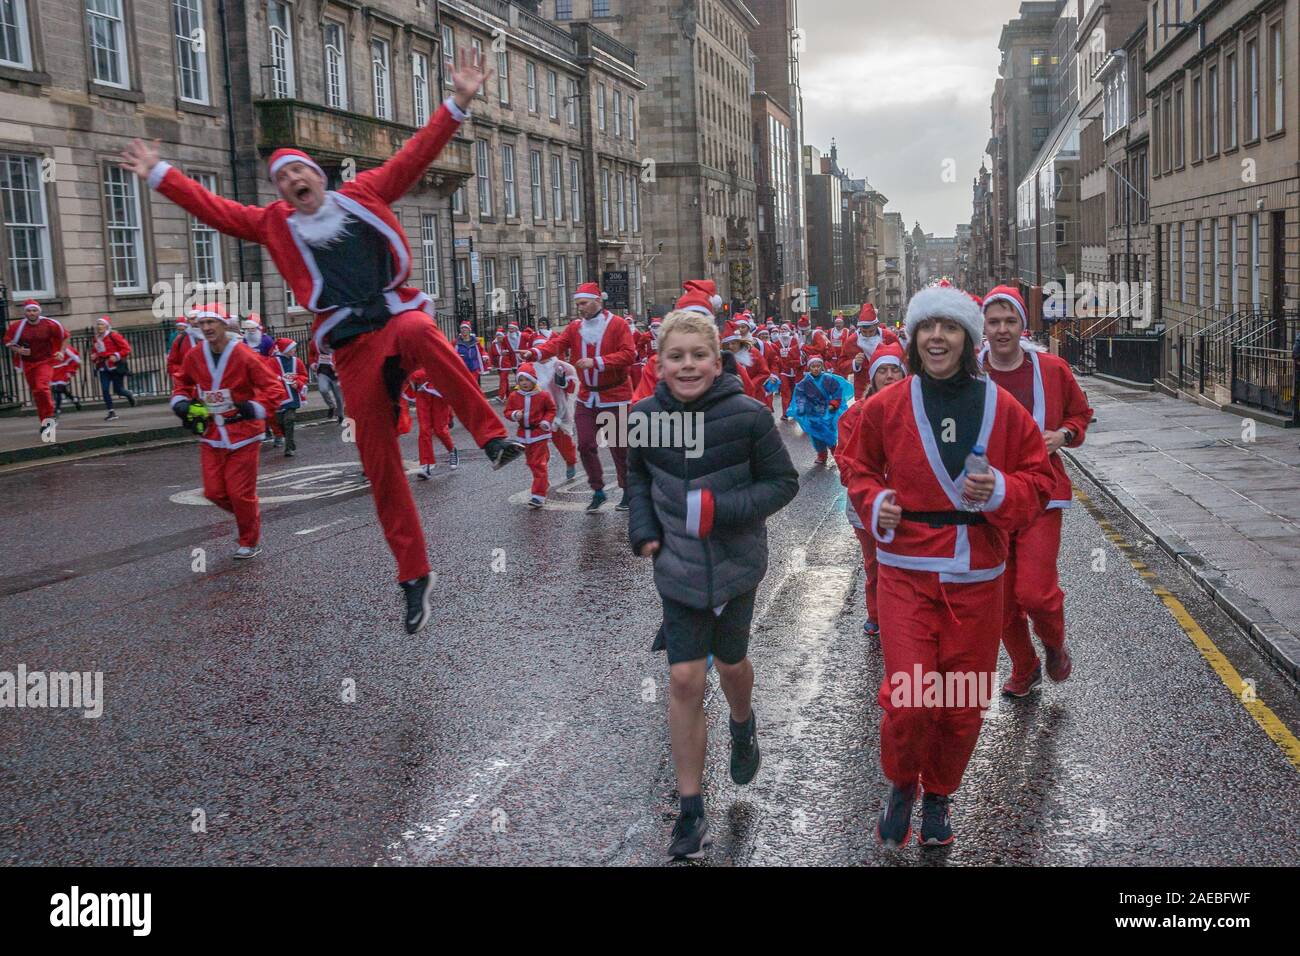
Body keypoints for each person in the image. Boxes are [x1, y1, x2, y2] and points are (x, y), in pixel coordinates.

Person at [123, 47, 521, 633]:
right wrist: (162, 175)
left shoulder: (364, 194)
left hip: (392, 316)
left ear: (318, 174)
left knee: (420, 330)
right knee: (378, 460)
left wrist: (458, 100)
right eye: (282, 177)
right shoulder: (274, 224)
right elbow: (216, 210)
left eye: (299, 171)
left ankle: (491, 437)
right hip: (352, 346)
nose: (292, 180)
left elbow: (417, 154)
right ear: (280, 191)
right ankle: (414, 575)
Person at [841, 284, 1055, 849]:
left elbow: (1039, 481)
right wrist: (873, 501)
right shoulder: (885, 405)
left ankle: (938, 795)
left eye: (950, 327)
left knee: (961, 702)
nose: (937, 337)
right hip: (907, 571)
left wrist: (1002, 488)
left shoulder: (1001, 408)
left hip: (978, 576)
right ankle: (901, 785)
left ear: (968, 339)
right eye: (927, 327)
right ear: (913, 338)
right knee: (910, 698)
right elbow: (858, 467)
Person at [627, 309, 799, 861]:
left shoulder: (747, 415)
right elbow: (637, 477)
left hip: (734, 566)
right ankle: (691, 810)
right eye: (675, 356)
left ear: (717, 359)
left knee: (729, 665)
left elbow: (782, 483)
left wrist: (721, 508)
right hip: (677, 566)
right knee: (683, 677)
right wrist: (645, 530)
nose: (688, 365)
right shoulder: (645, 417)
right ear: (659, 363)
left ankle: (743, 724)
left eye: (698, 355)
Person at [981, 285, 1092, 696]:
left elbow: (1081, 414)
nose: (1002, 329)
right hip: (987, 499)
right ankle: (1024, 667)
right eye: (994, 322)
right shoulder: (970, 371)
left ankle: (1054, 644)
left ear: (1022, 326)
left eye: (1010, 321)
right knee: (1001, 601)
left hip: (1041, 495)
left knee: (1035, 591)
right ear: (984, 327)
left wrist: (1062, 434)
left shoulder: (1051, 369)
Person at [170, 303, 287, 560]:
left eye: (212, 322)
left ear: (225, 325)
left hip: (244, 433)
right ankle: (249, 516)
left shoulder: (244, 354)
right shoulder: (195, 355)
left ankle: (249, 539)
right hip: (211, 433)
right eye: (202, 323)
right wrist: (181, 403)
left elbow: (276, 391)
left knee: (239, 492)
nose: (207, 328)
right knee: (213, 492)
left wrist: (251, 408)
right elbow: (182, 382)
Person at [528, 282, 636, 513]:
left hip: (615, 395)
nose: (580, 308)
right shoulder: (575, 327)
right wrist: (535, 353)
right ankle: (598, 491)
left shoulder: (617, 325)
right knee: (586, 444)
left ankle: (628, 490)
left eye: (584, 303)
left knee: (620, 448)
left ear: (598, 300)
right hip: (587, 396)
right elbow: (557, 343)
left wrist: (597, 362)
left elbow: (629, 354)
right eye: (578, 304)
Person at [835, 340, 908, 637]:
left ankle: (905, 614)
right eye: (883, 371)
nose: (890, 376)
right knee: (875, 561)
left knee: (907, 560)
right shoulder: (855, 414)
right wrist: (868, 486)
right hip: (868, 503)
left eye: (895, 370)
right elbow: (844, 460)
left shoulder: (916, 409)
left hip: (909, 501)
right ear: (873, 376)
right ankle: (877, 613)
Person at [4, 300, 68, 436]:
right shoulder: (17, 327)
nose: (32, 313)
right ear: (25, 312)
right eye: (29, 310)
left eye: (34, 310)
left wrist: (61, 352)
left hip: (45, 361)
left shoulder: (50, 324)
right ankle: (46, 424)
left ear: (39, 311)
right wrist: (19, 350)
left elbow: (65, 336)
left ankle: (51, 416)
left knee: (41, 387)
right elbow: (8, 342)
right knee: (37, 394)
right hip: (28, 364)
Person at [505, 362, 558, 509]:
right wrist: (515, 414)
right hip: (523, 434)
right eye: (521, 380)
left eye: (527, 379)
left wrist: (546, 422)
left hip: (539, 433)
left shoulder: (543, 395)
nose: (524, 383)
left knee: (537, 463)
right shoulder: (514, 396)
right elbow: (507, 412)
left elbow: (551, 410)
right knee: (531, 462)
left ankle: (538, 495)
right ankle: (543, 481)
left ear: (533, 380)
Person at [791, 355, 853, 465]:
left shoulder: (829, 379)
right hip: (812, 413)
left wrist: (833, 405)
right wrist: (801, 409)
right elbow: (800, 397)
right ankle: (822, 455)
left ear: (822, 367)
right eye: (813, 366)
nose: (816, 369)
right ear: (809, 368)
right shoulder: (804, 383)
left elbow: (837, 393)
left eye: (818, 366)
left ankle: (835, 452)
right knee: (815, 436)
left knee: (829, 433)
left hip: (828, 412)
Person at [531, 348, 578, 481]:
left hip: (558, 411)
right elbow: (521, 387)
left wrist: (562, 379)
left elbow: (572, 388)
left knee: (563, 441)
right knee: (538, 444)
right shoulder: (530, 367)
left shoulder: (562, 366)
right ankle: (541, 475)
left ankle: (570, 461)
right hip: (537, 412)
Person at [838, 303, 900, 400]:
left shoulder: (889, 337)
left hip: (888, 387)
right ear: (859, 328)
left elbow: (902, 360)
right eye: (864, 331)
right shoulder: (851, 341)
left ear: (876, 325)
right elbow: (841, 364)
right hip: (863, 389)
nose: (867, 335)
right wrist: (854, 363)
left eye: (871, 331)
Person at [407, 368, 457, 478]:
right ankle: (426, 465)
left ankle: (452, 450)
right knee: (424, 430)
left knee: (440, 430)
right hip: (422, 392)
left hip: (438, 392)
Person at [90, 317, 136, 421]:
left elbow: (126, 348)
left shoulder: (113, 335)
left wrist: (116, 355)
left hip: (115, 366)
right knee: (105, 389)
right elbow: (95, 351)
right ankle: (111, 412)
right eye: (98, 324)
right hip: (103, 367)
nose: (99, 327)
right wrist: (94, 356)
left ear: (106, 326)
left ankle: (128, 394)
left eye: (101, 324)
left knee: (118, 390)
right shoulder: (96, 338)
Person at [270, 337, 308, 457]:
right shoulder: (272, 362)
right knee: (280, 422)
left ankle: (289, 448)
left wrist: (298, 382)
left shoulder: (297, 361)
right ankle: (290, 441)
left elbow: (303, 375)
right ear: (284, 349)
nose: (294, 350)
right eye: (291, 348)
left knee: (289, 420)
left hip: (293, 396)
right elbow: (266, 375)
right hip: (278, 397)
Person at [772, 323, 806, 421]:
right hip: (784, 372)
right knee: (785, 392)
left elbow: (800, 355)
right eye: (781, 329)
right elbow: (775, 358)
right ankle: (786, 413)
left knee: (796, 392)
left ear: (789, 331)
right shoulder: (777, 343)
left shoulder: (795, 341)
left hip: (796, 372)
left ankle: (796, 411)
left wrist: (796, 363)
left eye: (785, 329)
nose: (783, 331)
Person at [308, 337, 345, 423]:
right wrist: (313, 364)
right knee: (322, 389)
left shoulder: (337, 340)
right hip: (322, 372)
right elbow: (311, 354)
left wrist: (336, 365)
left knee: (339, 398)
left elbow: (344, 354)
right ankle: (331, 406)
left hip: (336, 374)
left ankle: (340, 415)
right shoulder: (314, 342)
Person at [454, 322, 490, 394]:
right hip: (462, 368)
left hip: (474, 367)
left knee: (473, 385)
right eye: (462, 328)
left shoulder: (476, 341)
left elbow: (482, 351)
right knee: (464, 386)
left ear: (469, 330)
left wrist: (485, 356)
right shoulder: (456, 342)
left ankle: (475, 402)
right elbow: (450, 351)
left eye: (466, 328)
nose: (464, 330)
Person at [167, 316, 202, 388]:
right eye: (178, 330)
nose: (195, 322)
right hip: (188, 385)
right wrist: (184, 372)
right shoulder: (178, 339)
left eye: (182, 330)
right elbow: (171, 363)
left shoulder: (212, 339)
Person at [489, 327, 517, 402]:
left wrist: (512, 362)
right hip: (498, 365)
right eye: (497, 336)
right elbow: (491, 354)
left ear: (503, 336)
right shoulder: (494, 344)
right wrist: (491, 364)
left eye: (500, 336)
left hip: (506, 364)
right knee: (505, 380)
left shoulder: (506, 343)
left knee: (502, 379)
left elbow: (512, 352)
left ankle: (501, 396)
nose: (499, 337)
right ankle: (508, 395)